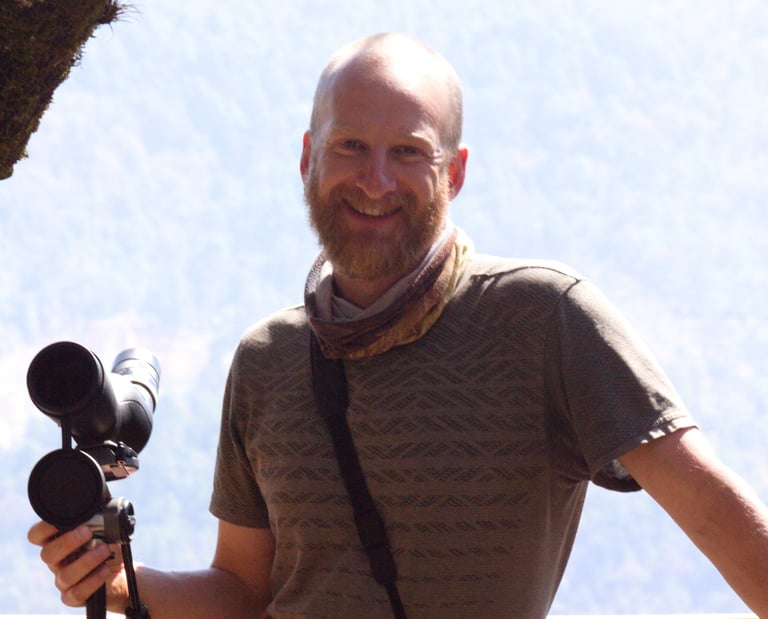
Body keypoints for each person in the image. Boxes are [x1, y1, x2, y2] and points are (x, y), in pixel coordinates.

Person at [28, 32, 768, 619]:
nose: (375, 180)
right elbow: (246, 591)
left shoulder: (544, 318)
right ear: (308, 157)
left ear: (455, 172)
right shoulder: (267, 359)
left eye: (409, 152)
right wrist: (119, 580)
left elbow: (712, 509)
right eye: (350, 145)